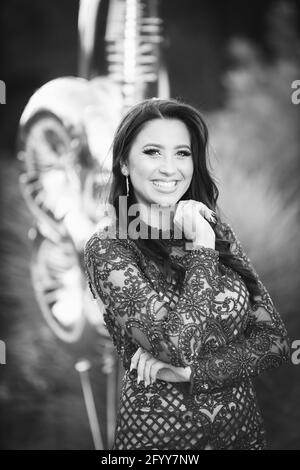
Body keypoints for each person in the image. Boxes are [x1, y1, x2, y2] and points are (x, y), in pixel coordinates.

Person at [84, 98, 290, 450]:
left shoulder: (212, 228)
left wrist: (193, 374)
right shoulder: (108, 248)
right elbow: (177, 347)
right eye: (152, 152)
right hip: (163, 440)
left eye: (182, 153)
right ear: (124, 164)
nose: (169, 168)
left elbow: (275, 341)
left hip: (244, 435)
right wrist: (203, 251)